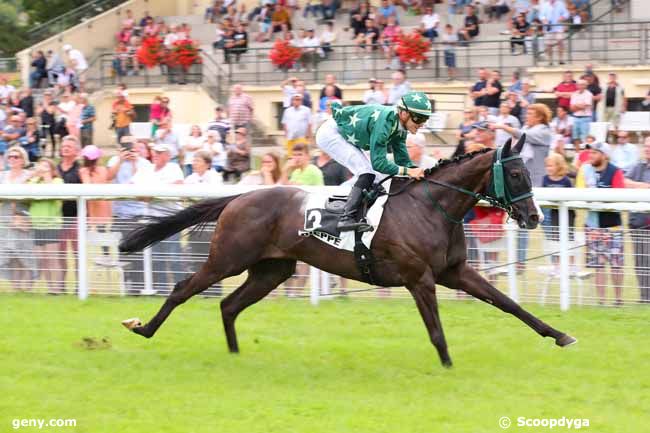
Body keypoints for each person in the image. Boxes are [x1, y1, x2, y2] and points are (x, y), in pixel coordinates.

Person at [315, 92, 430, 231]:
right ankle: (346, 218)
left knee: (379, 177)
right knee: (367, 172)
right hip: (331, 134)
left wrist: (420, 173)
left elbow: (402, 160)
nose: (422, 124)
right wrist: (409, 171)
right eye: (419, 118)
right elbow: (379, 163)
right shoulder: (386, 122)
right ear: (404, 114)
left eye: (426, 119)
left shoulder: (400, 127)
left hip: (347, 133)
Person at [576, 141, 626, 306]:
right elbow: (580, 193)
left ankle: (618, 300)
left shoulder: (615, 171)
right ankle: (601, 302)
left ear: (604, 155)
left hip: (613, 226)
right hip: (592, 226)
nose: (591, 156)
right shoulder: (585, 170)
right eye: (590, 153)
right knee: (598, 265)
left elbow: (618, 196)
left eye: (595, 153)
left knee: (616, 265)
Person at [132, 143, 185, 293]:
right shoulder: (146, 169)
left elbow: (178, 187)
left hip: (172, 220)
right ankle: (161, 290)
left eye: (160, 152)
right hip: (152, 220)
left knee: (174, 256)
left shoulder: (173, 168)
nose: (155, 154)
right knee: (156, 257)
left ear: (168, 156)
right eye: (154, 152)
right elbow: (135, 189)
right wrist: (152, 193)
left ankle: (180, 289)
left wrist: (152, 193)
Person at [107, 137, 152, 294]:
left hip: (138, 214)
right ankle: (127, 286)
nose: (128, 148)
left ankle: (139, 287)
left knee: (139, 252)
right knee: (123, 251)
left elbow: (138, 182)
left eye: (130, 145)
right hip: (120, 214)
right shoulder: (114, 160)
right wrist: (120, 160)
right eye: (125, 145)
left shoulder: (144, 163)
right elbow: (108, 177)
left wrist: (134, 163)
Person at [491, 103, 552, 187]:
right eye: (527, 113)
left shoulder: (544, 131)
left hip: (536, 176)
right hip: (522, 172)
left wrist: (502, 127)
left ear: (540, 117)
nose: (526, 116)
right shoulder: (526, 128)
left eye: (530, 114)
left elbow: (523, 135)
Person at [0, 146, 35, 291]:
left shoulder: (29, 175)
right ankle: (16, 287)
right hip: (5, 217)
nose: (12, 159)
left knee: (23, 251)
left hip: (22, 216)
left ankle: (26, 288)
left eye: (16, 157)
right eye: (10, 156)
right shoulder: (3, 175)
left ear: (23, 160)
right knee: (10, 252)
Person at [28, 158, 64, 294]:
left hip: (51, 225)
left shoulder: (57, 181)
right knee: (42, 259)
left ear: (52, 169)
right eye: (40, 165)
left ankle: (57, 289)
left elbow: (54, 194)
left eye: (46, 166)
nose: (42, 168)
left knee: (52, 259)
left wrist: (46, 175)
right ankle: (50, 288)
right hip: (36, 225)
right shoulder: (34, 182)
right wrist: (34, 175)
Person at [624, 136, 650, 303]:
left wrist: (636, 185)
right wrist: (645, 187)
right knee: (641, 261)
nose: (647, 149)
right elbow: (624, 181)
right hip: (639, 222)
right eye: (646, 146)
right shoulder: (638, 166)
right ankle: (644, 298)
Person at [79, 145, 112, 262]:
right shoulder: (85, 171)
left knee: (103, 230)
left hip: (101, 205)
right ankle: (106, 254)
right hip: (95, 206)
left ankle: (106, 254)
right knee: (101, 230)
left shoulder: (100, 170)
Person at [57, 136, 82, 290]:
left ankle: (80, 285)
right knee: (61, 253)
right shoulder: (55, 168)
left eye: (69, 146)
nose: (65, 148)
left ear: (76, 151)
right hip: (59, 218)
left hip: (75, 217)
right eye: (64, 146)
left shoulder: (80, 170)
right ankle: (62, 284)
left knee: (77, 253)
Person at [541, 152, 575, 243]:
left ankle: (569, 255)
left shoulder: (566, 180)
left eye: (551, 166)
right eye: (547, 166)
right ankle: (557, 256)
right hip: (554, 212)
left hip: (568, 212)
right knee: (556, 237)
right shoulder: (545, 179)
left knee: (569, 237)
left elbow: (572, 195)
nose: (548, 168)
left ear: (559, 166)